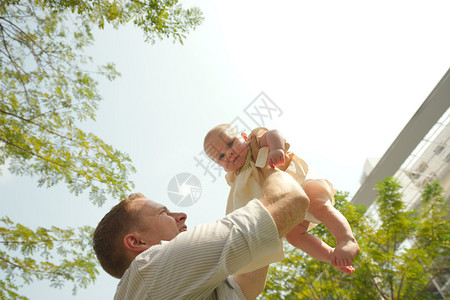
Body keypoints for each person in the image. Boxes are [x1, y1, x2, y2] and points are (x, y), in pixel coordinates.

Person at [93, 166, 311, 299]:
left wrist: (250, 177)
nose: (181, 215)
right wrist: (266, 165)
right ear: (136, 242)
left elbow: (251, 278)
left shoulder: (183, 289)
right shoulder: (149, 267)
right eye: (163, 212)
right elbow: (289, 201)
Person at [203, 124, 360, 275]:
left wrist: (276, 148)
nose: (229, 153)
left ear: (244, 137)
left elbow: (273, 133)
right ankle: (331, 255)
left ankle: (346, 240)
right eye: (221, 156)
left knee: (320, 207)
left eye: (230, 143)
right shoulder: (237, 180)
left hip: (300, 183)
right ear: (221, 166)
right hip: (288, 204)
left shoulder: (254, 144)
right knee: (294, 237)